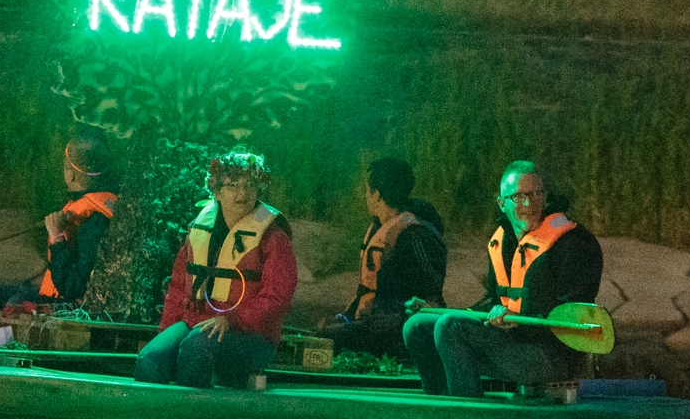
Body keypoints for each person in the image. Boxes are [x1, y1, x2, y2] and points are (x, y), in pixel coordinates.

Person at [401, 160, 602, 398]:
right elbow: (493, 300)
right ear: (502, 203)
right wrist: (436, 309)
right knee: (417, 325)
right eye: (518, 196)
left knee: (451, 327)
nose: (529, 203)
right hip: (510, 345)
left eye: (536, 193)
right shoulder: (502, 241)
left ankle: (467, 413)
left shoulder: (573, 243)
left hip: (550, 357)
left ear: (545, 196)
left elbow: (574, 313)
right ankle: (440, 404)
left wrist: (521, 320)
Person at [134, 149, 298, 389]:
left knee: (196, 347)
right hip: (197, 322)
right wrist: (166, 332)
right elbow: (179, 287)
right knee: (150, 359)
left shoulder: (273, 236)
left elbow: (277, 296)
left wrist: (231, 319)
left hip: (251, 336)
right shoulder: (200, 228)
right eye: (233, 185)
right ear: (217, 191)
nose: (242, 193)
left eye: (250, 185)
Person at [0, 128, 118, 339]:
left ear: (70, 172)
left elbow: (73, 287)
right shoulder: (96, 204)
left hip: (70, 305)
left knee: (6, 298)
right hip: (56, 295)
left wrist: (57, 238)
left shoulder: (95, 220)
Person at [318, 157, 446, 358]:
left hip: (396, 331)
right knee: (325, 330)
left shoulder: (414, 234)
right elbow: (366, 292)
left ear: (377, 195)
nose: (365, 196)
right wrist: (344, 317)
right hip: (372, 324)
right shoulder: (379, 227)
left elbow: (429, 299)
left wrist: (379, 322)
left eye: (367, 191)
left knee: (330, 339)